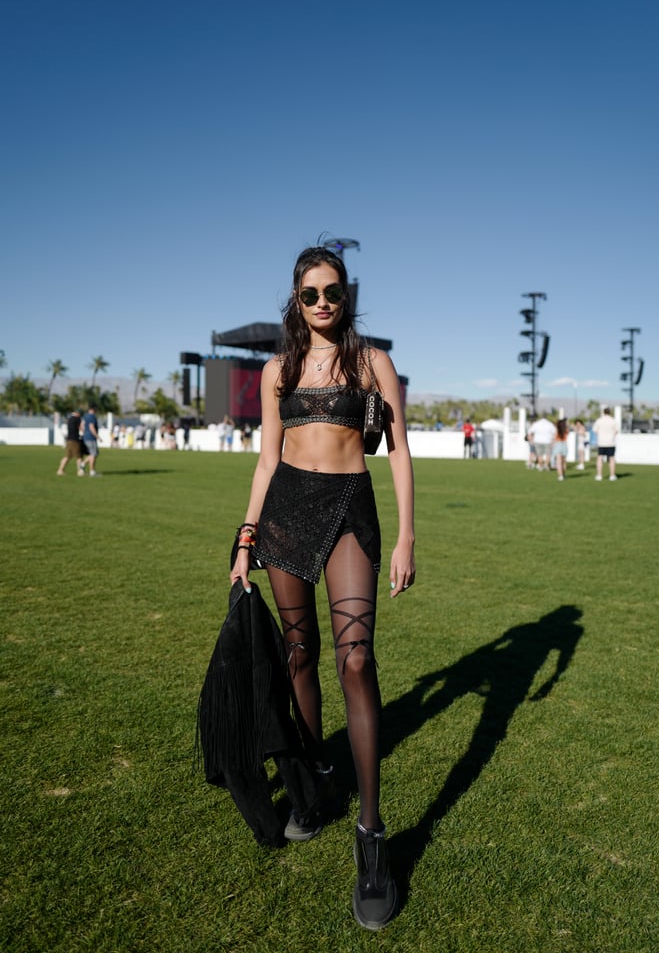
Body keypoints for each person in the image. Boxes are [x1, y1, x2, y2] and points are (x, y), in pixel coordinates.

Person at [230, 245, 415, 931]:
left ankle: (372, 838)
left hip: (348, 511)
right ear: (296, 299)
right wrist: (246, 536)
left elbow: (397, 451)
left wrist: (405, 537)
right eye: (309, 294)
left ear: (347, 294)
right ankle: (312, 791)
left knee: (356, 659)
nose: (321, 303)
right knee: (299, 656)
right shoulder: (277, 369)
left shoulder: (373, 364)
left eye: (331, 291)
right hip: (285, 512)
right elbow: (265, 459)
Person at [56, 409, 84, 476]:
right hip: (75, 440)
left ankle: (60, 470)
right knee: (79, 456)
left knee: (67, 456)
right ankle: (80, 471)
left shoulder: (70, 419)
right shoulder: (77, 419)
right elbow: (81, 428)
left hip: (69, 440)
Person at [593, 407, 618, 481]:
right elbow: (616, 431)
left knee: (600, 458)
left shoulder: (599, 420)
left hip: (601, 442)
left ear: (603, 412)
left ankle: (599, 475)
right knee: (611, 458)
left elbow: (595, 430)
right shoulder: (613, 421)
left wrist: (601, 435)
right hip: (611, 443)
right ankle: (612, 475)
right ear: (610, 412)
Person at [81, 404, 101, 476]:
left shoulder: (85, 416)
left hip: (86, 437)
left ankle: (82, 464)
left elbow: (82, 424)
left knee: (94, 453)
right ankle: (92, 471)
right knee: (93, 454)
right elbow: (91, 426)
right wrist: (97, 436)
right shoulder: (92, 416)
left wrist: (84, 432)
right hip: (91, 438)